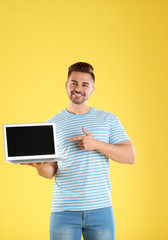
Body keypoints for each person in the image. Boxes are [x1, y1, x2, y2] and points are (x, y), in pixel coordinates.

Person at [21, 62, 136, 240]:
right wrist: (40, 166)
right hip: (64, 211)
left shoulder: (108, 119)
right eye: (74, 83)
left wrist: (96, 144)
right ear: (66, 85)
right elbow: (50, 172)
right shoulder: (51, 125)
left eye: (85, 84)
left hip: (101, 209)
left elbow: (130, 156)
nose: (78, 88)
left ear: (92, 89)